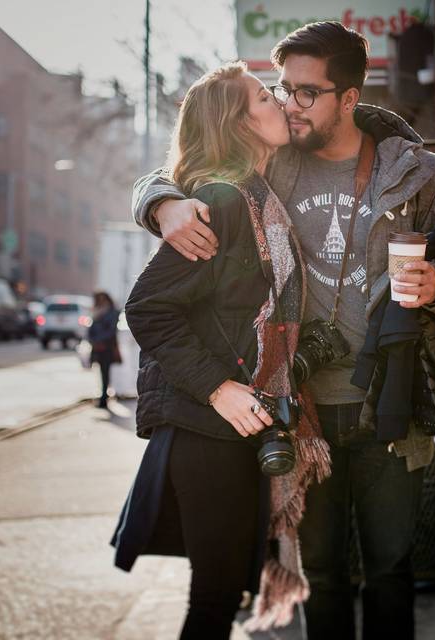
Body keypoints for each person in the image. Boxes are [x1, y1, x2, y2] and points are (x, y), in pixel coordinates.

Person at [131, 22, 435, 640]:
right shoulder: (271, 166)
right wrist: (160, 202)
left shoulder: (415, 172)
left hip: (390, 404)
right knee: (321, 570)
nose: (290, 105)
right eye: (281, 90)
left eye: (306, 93)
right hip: (305, 410)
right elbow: (195, 169)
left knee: (393, 569)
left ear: (349, 97)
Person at [111, 61, 330, 639]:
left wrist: (159, 196)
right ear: (239, 123)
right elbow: (148, 307)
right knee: (212, 599)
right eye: (265, 97)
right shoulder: (225, 201)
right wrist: (219, 387)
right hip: (205, 426)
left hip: (238, 426)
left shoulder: (260, 193)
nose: (281, 102)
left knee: (223, 591)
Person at [87, 291, 121, 409]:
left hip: (107, 347)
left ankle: (104, 398)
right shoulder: (96, 312)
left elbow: (111, 331)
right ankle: (103, 395)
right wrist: (93, 340)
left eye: (103, 299)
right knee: (101, 371)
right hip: (97, 347)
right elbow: (90, 329)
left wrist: (99, 339)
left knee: (106, 372)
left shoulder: (112, 312)